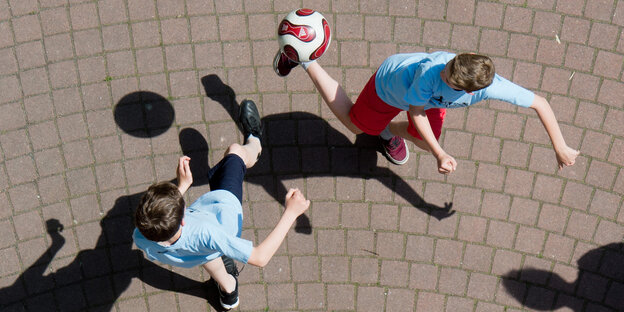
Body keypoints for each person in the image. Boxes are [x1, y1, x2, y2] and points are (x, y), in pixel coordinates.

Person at [273, 51, 579, 173]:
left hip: (429, 104)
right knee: (356, 126)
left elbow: (540, 103)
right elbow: (416, 112)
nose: (442, 73)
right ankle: (303, 58)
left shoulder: (491, 85)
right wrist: (439, 154)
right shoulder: (429, 73)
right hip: (388, 88)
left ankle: (386, 132)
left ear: (470, 91)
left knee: (421, 140)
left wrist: (560, 146)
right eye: (447, 69)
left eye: (448, 78)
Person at [133, 100, 310, 310]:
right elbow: (260, 258)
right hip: (223, 212)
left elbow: (175, 231)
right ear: (182, 220)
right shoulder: (207, 234)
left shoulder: (142, 235)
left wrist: (182, 187)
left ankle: (229, 292)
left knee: (208, 256)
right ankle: (255, 141)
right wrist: (291, 212)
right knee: (235, 151)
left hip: (194, 252)